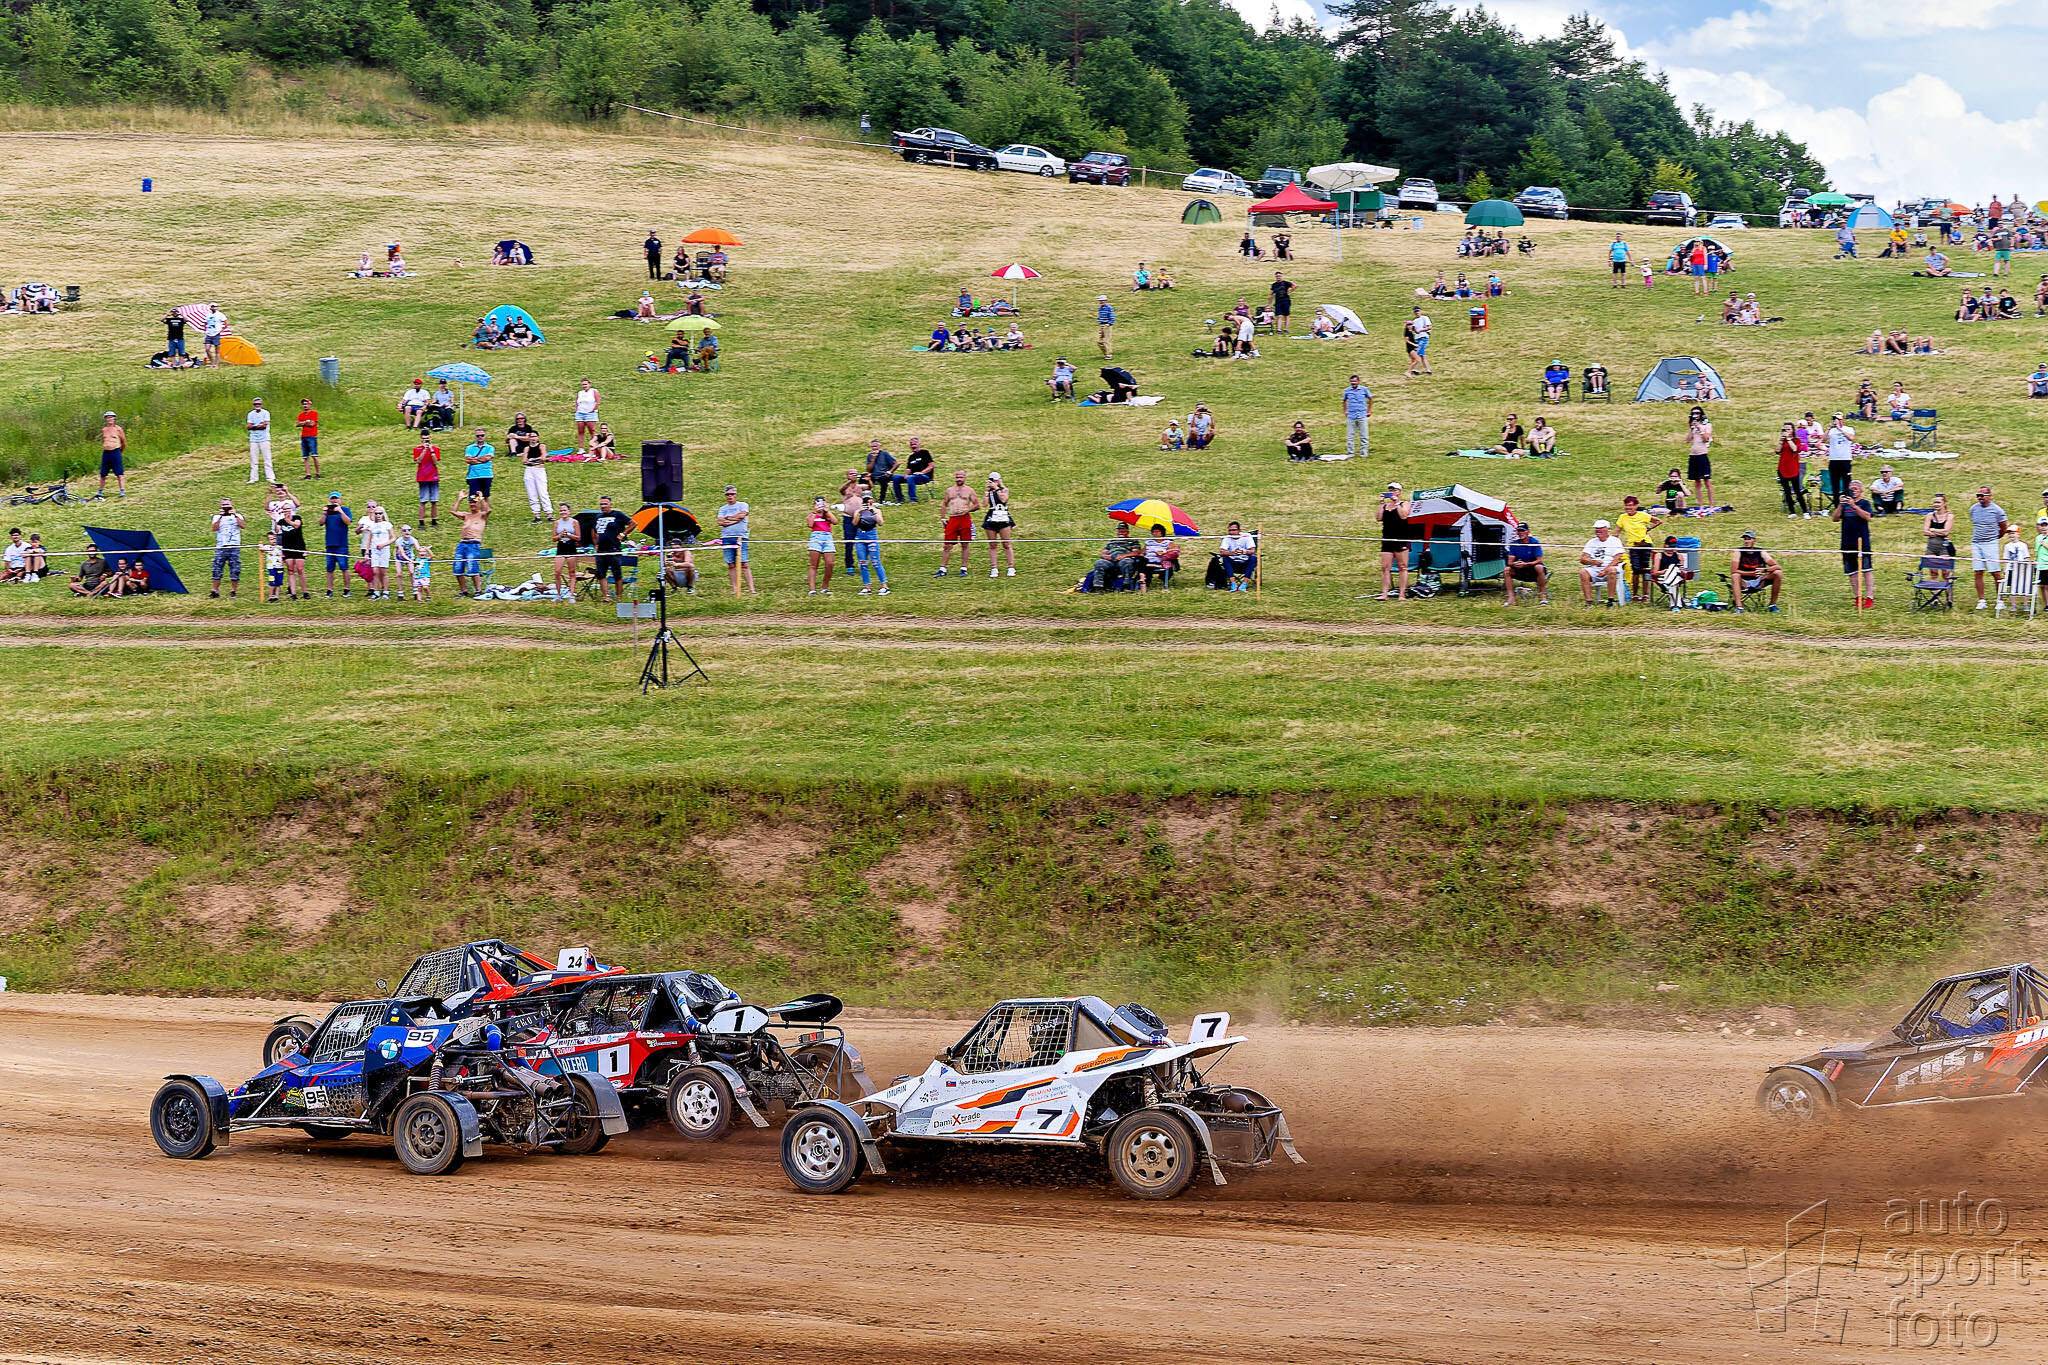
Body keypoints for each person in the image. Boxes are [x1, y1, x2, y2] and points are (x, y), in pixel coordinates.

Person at [1834, 479, 1876, 608]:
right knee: (1852, 571)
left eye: (1855, 488)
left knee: (1866, 569)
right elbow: (1835, 518)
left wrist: (1854, 506)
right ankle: (1858, 596)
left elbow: (1867, 517)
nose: (1853, 491)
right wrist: (1840, 505)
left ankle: (1869, 597)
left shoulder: (1864, 503)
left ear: (1861, 491)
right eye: (1851, 489)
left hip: (1862, 541)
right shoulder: (1844, 505)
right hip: (1847, 542)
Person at [1967, 485, 2010, 608]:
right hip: (1976, 543)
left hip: (1991, 543)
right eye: (1978, 495)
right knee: (1978, 572)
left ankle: (2000, 600)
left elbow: (2003, 528)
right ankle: (1981, 600)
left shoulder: (1997, 510)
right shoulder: (1973, 509)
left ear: (1989, 496)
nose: (1979, 498)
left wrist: (1995, 537)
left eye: (1982, 495)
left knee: (1995, 572)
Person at [1616, 495, 1663, 600]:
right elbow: (1617, 532)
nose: (1628, 508)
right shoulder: (1622, 517)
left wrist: (1649, 529)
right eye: (1626, 506)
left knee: (1645, 569)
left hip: (1645, 544)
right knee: (1636, 570)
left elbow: (1658, 521)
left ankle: (1645, 594)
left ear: (1636, 506)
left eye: (1631, 505)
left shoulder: (1642, 515)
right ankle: (1635, 594)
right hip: (1633, 546)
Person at [590, 494, 635, 603]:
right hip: (601, 551)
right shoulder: (598, 517)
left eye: (605, 504)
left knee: (617, 574)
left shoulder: (617, 515)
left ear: (610, 504)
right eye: (601, 504)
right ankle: (606, 597)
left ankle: (619, 598)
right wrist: (595, 544)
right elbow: (593, 531)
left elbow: (633, 523)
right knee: (601, 574)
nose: (603, 506)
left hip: (614, 549)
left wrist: (623, 534)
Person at [935, 471, 979, 577]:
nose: (959, 479)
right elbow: (944, 504)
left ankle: (964, 568)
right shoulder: (949, 490)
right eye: (957, 477)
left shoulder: (969, 490)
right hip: (953, 519)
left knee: (965, 544)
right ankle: (942, 568)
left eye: (961, 477)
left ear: (965, 478)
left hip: (965, 519)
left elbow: (977, 505)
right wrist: (943, 518)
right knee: (947, 544)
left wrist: (967, 510)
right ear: (955, 478)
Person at [1729, 530, 1783, 612]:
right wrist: (1751, 573)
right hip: (1743, 582)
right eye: (1745, 539)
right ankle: (1739, 607)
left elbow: (1777, 566)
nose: (1746, 541)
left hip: (1759, 581)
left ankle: (1772, 605)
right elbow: (1733, 571)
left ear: (1754, 540)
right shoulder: (1738, 552)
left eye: (1749, 539)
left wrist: (1765, 570)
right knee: (1735, 576)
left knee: (1778, 573)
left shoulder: (1760, 552)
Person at [507, 414, 549, 521]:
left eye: (535, 436)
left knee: (543, 492)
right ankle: (536, 515)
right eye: (531, 437)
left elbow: (543, 458)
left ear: (538, 437)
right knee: (532, 493)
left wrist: (533, 460)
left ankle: (549, 513)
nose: (533, 438)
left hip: (539, 470)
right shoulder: (527, 448)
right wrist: (532, 461)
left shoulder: (541, 446)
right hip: (530, 470)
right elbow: (524, 461)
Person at [716, 485, 755, 596]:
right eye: (727, 494)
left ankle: (751, 589)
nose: (730, 496)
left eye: (732, 494)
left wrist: (728, 518)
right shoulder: (722, 509)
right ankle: (735, 589)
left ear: (736, 495)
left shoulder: (743, 505)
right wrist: (734, 520)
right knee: (731, 564)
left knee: (744, 563)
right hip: (726, 538)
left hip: (740, 537)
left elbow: (742, 516)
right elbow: (720, 522)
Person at [452, 492, 490, 598]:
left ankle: (478, 590)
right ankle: (463, 591)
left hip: (474, 544)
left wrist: (481, 498)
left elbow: (488, 510)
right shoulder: (466, 515)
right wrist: (460, 498)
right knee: (458, 568)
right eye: (470, 503)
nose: (472, 504)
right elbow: (453, 511)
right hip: (462, 544)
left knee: (472, 567)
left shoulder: (482, 515)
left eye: (474, 502)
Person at [1378, 483, 1412, 601]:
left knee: (1402, 566)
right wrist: (1381, 503)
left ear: (1399, 492)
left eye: (1394, 490)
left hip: (1401, 539)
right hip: (1387, 539)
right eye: (1390, 489)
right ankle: (1384, 594)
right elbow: (1378, 517)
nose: (1392, 491)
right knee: (1385, 567)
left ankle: (1402, 594)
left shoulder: (1404, 504)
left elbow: (1404, 516)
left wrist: (1396, 502)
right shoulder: (1385, 506)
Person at [1579, 519, 1626, 604]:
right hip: (1595, 568)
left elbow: (1618, 558)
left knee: (1612, 570)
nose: (1598, 530)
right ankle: (1589, 601)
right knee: (1583, 572)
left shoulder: (1615, 541)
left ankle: (1611, 599)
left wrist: (1605, 570)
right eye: (1596, 528)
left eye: (1601, 528)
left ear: (1608, 529)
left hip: (1610, 567)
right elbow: (1583, 559)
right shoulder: (1591, 542)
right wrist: (1593, 562)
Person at [1087, 521, 1142, 592]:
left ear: (1127, 532)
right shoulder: (1112, 541)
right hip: (1110, 559)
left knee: (1127, 562)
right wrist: (1105, 556)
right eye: (1119, 531)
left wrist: (1123, 556)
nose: (1121, 533)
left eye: (1123, 531)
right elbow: (1104, 552)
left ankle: (1126, 586)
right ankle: (1098, 587)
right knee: (1099, 563)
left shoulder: (1132, 541)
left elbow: (1136, 552)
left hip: (1124, 558)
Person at [850, 492, 887, 594]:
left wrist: (873, 512)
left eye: (868, 499)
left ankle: (884, 586)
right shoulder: (858, 511)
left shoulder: (876, 510)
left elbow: (881, 523)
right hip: (860, 536)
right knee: (862, 562)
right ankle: (867, 587)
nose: (867, 502)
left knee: (875, 561)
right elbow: (854, 523)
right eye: (865, 500)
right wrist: (859, 512)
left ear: (872, 500)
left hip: (871, 535)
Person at [317, 491, 352, 597]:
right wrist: (324, 513)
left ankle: (347, 589)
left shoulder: (345, 510)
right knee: (329, 568)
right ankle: (329, 590)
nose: (334, 500)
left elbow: (348, 522)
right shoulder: (328, 511)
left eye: (336, 498)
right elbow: (320, 523)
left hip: (342, 544)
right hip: (330, 544)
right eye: (332, 498)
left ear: (340, 499)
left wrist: (340, 511)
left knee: (344, 567)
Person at [209, 498, 245, 599]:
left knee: (235, 569)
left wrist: (235, 515)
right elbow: (214, 528)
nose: (226, 507)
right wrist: (221, 516)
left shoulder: (238, 516)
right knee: (217, 568)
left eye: (227, 505)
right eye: (224, 505)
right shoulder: (216, 517)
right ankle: (215, 591)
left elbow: (243, 526)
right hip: (221, 546)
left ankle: (234, 591)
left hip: (234, 546)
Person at [1503, 522, 1546, 605]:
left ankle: (1542, 595)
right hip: (1519, 570)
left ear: (1528, 532)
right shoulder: (1514, 544)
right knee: (1506, 570)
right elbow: (1509, 562)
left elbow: (1539, 560)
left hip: (1532, 570)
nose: (1520, 533)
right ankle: (1511, 598)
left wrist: (1526, 564)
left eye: (1523, 531)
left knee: (1539, 567)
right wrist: (1515, 564)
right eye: (1519, 531)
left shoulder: (1534, 543)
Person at [983, 473, 1015, 576]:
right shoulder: (989, 492)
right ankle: (994, 568)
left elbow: (1004, 499)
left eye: (995, 480)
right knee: (992, 544)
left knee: (1006, 544)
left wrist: (997, 488)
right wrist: (987, 492)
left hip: (1003, 516)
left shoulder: (1004, 490)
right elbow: (984, 504)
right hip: (992, 516)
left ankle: (1011, 567)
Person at [1776, 422, 1810, 518]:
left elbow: (1795, 449)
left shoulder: (1796, 440)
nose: (1786, 431)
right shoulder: (1783, 441)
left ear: (1792, 430)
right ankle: (1792, 512)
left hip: (1793, 469)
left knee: (1797, 491)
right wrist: (1781, 441)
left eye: (1788, 429)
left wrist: (1788, 439)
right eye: (1784, 429)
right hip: (1782, 468)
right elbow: (1777, 451)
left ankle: (1805, 511)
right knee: (1787, 491)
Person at [362, 504, 395, 600]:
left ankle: (385, 591)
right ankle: (376, 591)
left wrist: (384, 544)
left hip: (384, 550)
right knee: (375, 571)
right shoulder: (372, 526)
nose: (378, 515)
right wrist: (367, 552)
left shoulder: (387, 524)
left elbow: (393, 538)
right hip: (375, 550)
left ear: (383, 514)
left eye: (380, 513)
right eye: (376, 513)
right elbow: (369, 540)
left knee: (383, 571)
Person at [804, 499, 835, 595]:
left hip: (827, 537)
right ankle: (812, 589)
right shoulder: (812, 515)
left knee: (830, 564)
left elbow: (835, 521)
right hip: (816, 537)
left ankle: (825, 587)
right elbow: (810, 524)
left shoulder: (827, 515)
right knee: (814, 564)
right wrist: (815, 512)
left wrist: (827, 511)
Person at [1685, 407, 1715, 506]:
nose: (1695, 415)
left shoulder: (1707, 425)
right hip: (1693, 455)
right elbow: (1688, 440)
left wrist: (1700, 428)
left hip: (1702, 455)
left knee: (1707, 481)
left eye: (1697, 413)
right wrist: (1691, 428)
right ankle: (1701, 505)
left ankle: (1711, 505)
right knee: (1697, 482)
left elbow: (1706, 439)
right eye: (1693, 413)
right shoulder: (1693, 426)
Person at [1825, 415, 1856, 507]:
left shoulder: (1849, 429)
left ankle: (1847, 505)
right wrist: (1829, 428)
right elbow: (1823, 439)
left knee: (1846, 483)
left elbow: (1851, 438)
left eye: (1838, 419)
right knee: (1835, 484)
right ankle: (1837, 506)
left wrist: (1840, 429)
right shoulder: (1831, 431)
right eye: (1835, 419)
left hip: (1845, 459)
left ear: (1843, 420)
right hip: (1833, 459)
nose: (1836, 421)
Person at [551, 503, 582, 596]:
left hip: (571, 546)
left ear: (569, 511)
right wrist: (560, 535)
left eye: (564, 510)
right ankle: (558, 594)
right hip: (561, 547)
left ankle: (571, 594)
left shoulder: (574, 522)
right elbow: (554, 538)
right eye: (561, 511)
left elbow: (578, 538)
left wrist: (569, 534)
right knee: (557, 572)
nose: (563, 512)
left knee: (572, 572)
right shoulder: (557, 523)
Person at [893, 438, 935, 503]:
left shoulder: (925, 452)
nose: (913, 446)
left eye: (915, 444)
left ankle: (913, 499)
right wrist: (906, 474)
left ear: (919, 444)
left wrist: (921, 472)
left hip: (924, 476)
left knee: (910, 477)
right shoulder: (911, 457)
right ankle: (900, 499)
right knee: (895, 478)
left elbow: (931, 466)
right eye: (911, 444)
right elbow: (908, 469)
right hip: (913, 476)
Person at [1138, 524, 1178, 590]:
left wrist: (1164, 552)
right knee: (1140, 561)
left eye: (1157, 531)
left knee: (1145, 566)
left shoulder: (1167, 542)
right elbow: (1142, 552)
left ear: (1162, 532)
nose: (1154, 533)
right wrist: (1141, 554)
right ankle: (1142, 580)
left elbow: (1175, 549)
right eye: (1153, 532)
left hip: (1158, 561)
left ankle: (1143, 581)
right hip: (1146, 560)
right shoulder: (1149, 542)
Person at [413, 434, 441, 528]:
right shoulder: (417, 449)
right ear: (421, 439)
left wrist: (431, 450)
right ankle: (421, 522)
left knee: (434, 500)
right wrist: (424, 450)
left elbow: (435, 461)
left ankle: (434, 520)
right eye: (424, 439)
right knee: (423, 500)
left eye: (427, 438)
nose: (426, 440)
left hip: (433, 476)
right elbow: (418, 461)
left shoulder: (435, 449)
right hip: (423, 477)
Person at [1342, 373, 1371, 460]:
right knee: (1350, 436)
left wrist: (1368, 411)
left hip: (1362, 415)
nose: (1353, 383)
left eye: (1354, 381)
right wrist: (1345, 411)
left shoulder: (1364, 389)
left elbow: (1370, 398)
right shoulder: (1347, 390)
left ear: (1358, 381)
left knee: (1364, 435)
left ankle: (1364, 453)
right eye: (1351, 381)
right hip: (1351, 416)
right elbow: (1344, 400)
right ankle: (1350, 453)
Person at [244, 399, 274, 484]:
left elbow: (264, 426)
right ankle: (253, 478)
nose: (257, 405)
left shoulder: (265, 413)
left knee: (267, 458)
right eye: (255, 404)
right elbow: (248, 426)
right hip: (253, 439)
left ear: (261, 404)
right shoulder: (250, 414)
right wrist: (257, 426)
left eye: (258, 404)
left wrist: (254, 426)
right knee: (254, 459)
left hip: (264, 438)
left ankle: (270, 477)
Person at [98, 411, 126, 498]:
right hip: (106, 453)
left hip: (115, 451)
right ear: (105, 419)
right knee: (103, 474)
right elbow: (103, 440)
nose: (109, 419)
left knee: (119, 473)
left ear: (114, 418)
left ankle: (122, 491)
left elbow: (124, 442)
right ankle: (99, 492)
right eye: (107, 417)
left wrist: (120, 452)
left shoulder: (118, 429)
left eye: (111, 417)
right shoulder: (104, 429)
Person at [464, 428, 495, 498]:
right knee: (474, 497)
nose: (480, 437)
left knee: (485, 496)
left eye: (482, 435)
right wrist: (481, 459)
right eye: (478, 436)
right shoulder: (469, 447)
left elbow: (487, 458)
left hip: (486, 475)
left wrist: (474, 458)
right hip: (473, 475)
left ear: (485, 436)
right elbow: (468, 460)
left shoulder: (490, 447)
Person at [572, 380, 600, 453]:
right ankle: (581, 448)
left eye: (585, 384)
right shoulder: (580, 393)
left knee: (592, 431)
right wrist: (576, 410)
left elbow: (597, 402)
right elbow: (577, 402)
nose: (584, 386)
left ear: (589, 384)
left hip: (590, 413)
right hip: (580, 413)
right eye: (583, 385)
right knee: (580, 431)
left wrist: (593, 410)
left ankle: (595, 448)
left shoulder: (594, 391)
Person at [1404, 306, 1431, 377]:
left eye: (1418, 311)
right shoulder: (1415, 321)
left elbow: (1429, 327)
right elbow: (1414, 330)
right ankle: (1428, 369)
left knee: (1418, 353)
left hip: (1424, 337)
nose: (1417, 312)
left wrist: (1421, 330)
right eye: (1415, 311)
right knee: (1422, 355)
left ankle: (1416, 370)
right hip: (1417, 338)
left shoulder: (1425, 318)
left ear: (1420, 311)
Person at [1270, 271, 1294, 335]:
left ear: (1281, 276)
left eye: (1279, 276)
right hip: (1278, 301)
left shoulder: (1285, 283)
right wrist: (1269, 303)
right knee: (1279, 315)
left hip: (1286, 300)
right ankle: (1279, 329)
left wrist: (1290, 291)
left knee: (1286, 315)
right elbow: (1271, 294)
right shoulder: (1274, 285)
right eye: (1277, 276)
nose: (1278, 277)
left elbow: (1294, 285)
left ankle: (1286, 329)